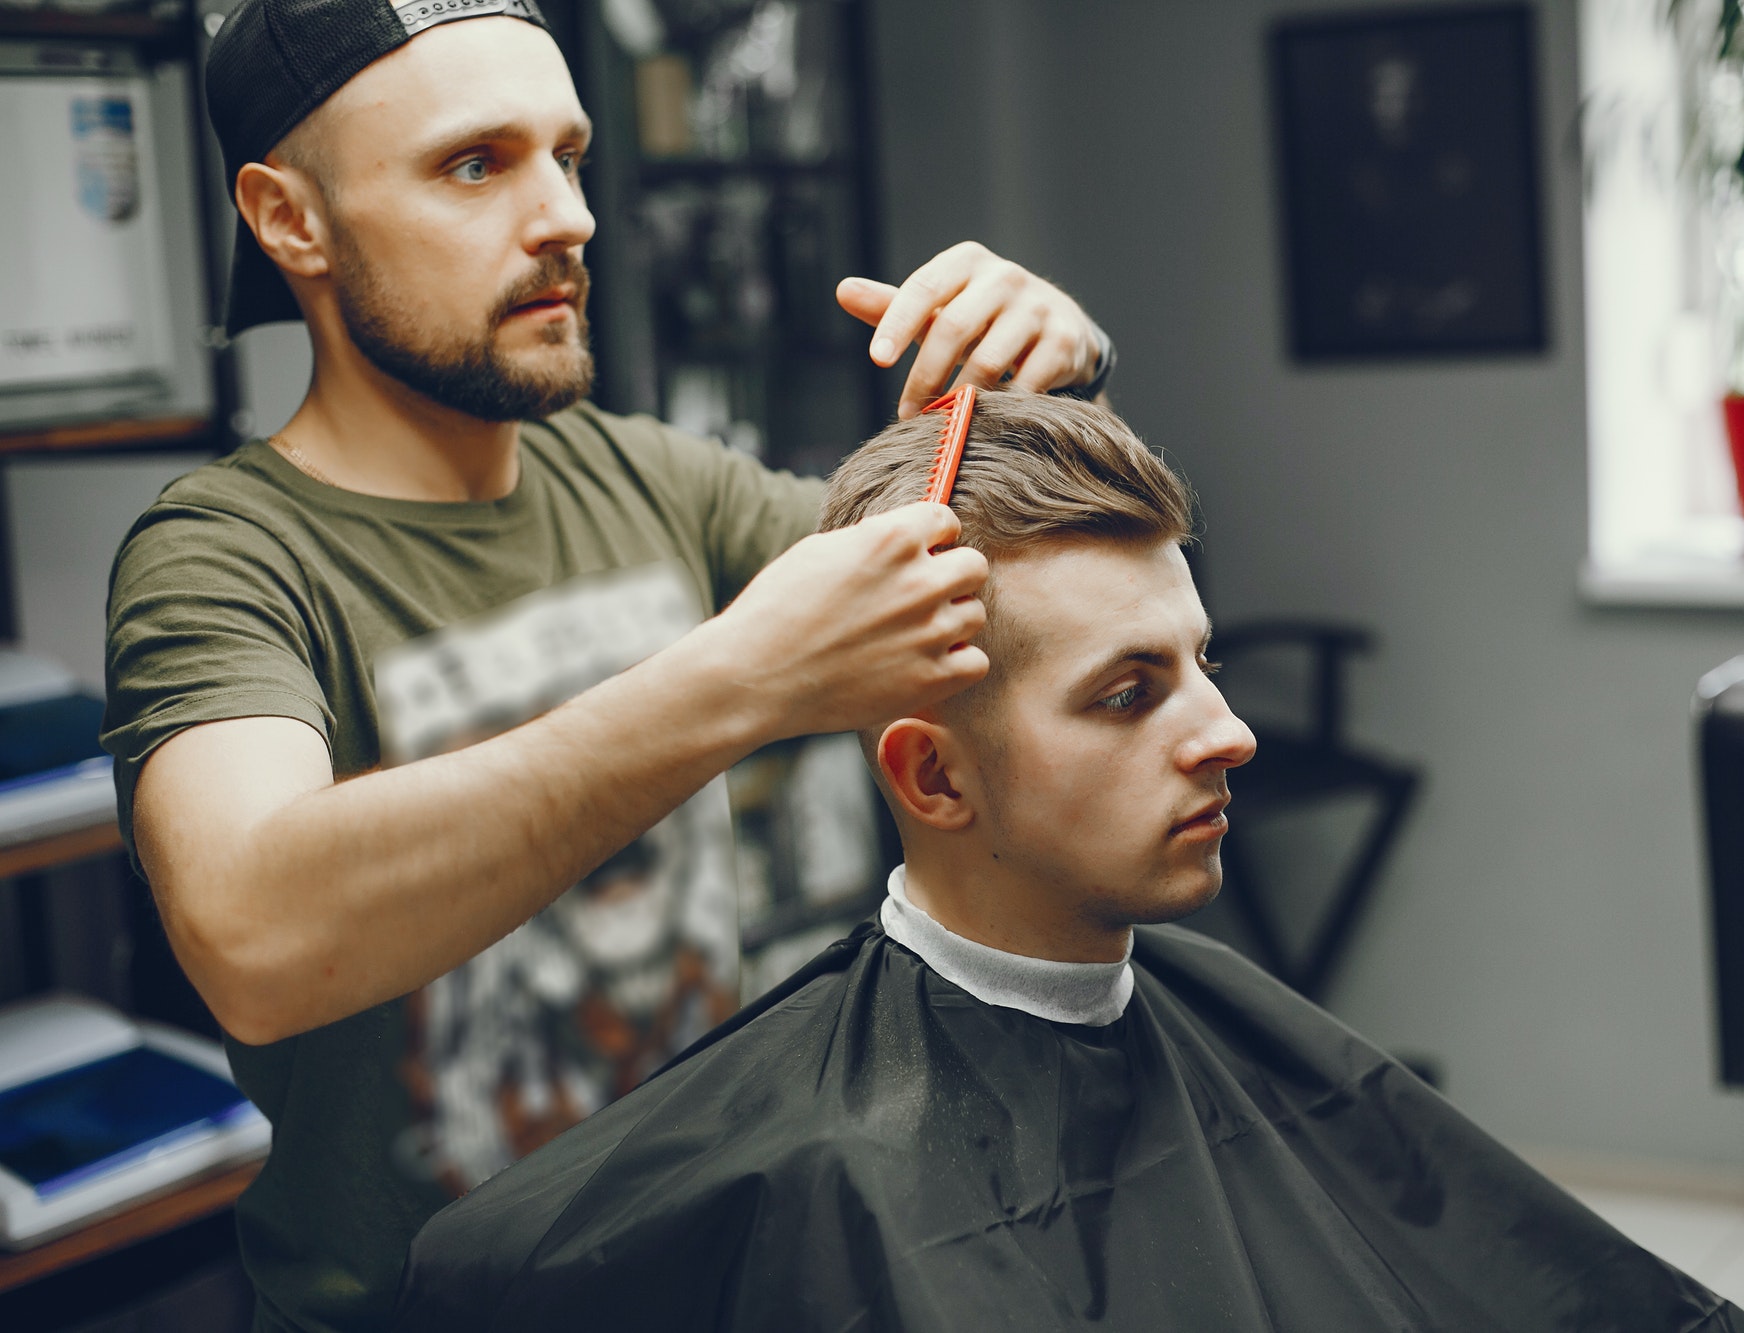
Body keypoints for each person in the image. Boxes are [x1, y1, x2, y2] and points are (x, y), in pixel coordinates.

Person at [102, 0, 1116, 1327]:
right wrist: (739, 678)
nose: (567, 216)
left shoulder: (652, 480)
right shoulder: (225, 554)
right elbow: (252, 929)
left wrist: (1045, 400)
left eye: (569, 155)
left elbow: (1026, 626)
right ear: (290, 218)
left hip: (726, 1275)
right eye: (477, 164)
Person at [394, 392, 1744, 1333]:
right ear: (933, 774)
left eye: (1201, 663)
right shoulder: (827, 1178)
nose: (1227, 733)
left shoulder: (1234, 1022)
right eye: (1130, 693)